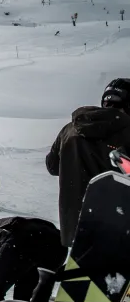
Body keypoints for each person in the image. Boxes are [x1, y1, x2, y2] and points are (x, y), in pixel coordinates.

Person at [45, 79, 130, 246]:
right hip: (118, 230)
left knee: (80, 271)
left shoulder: (70, 129)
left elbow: (52, 166)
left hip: (75, 229)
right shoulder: (127, 130)